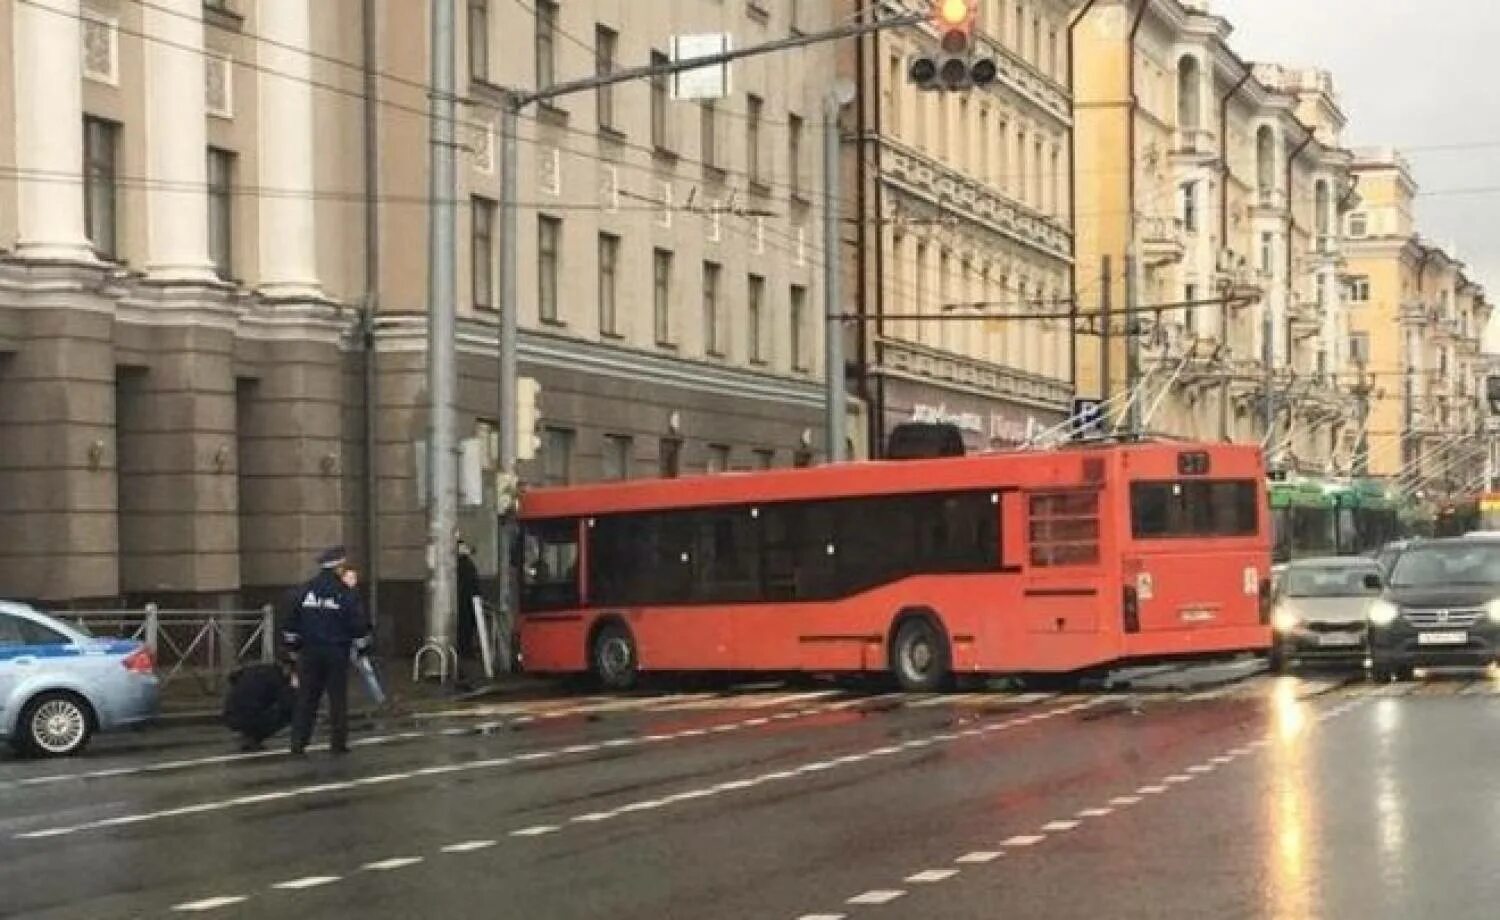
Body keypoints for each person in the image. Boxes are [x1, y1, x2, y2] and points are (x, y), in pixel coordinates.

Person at [283, 546, 371, 755]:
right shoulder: (346, 594)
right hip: (336, 653)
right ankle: (338, 743)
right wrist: (363, 649)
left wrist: (293, 649)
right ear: (339, 568)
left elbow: (290, 625)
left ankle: (298, 742)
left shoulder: (304, 591)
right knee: (337, 699)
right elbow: (358, 626)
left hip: (310, 652)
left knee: (307, 698)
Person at [222, 658, 296, 752]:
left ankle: (248, 735)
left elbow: (233, 677)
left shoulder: (258, 668)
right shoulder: (278, 678)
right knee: (289, 712)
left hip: (230, 713)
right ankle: (254, 738)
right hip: (248, 716)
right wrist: (294, 689)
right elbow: (287, 704)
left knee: (256, 707)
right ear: (288, 668)